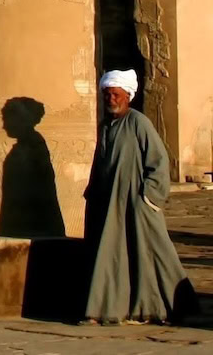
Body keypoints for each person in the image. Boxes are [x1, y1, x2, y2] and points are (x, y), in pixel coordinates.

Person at [82, 70, 196, 324]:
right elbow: (100, 164)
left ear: (127, 96)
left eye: (116, 95)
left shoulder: (138, 123)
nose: (111, 99)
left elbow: (158, 161)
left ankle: (170, 306)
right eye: (107, 95)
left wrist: (149, 197)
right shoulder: (105, 126)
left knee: (153, 254)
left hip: (137, 204)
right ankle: (109, 310)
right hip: (111, 206)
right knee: (113, 257)